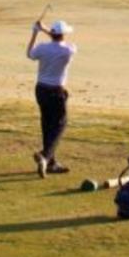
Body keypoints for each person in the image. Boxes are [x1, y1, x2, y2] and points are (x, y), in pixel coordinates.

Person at [26, 19, 76, 177]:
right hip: (56, 91)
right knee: (61, 124)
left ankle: (51, 163)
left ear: (53, 34)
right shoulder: (68, 50)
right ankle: (45, 156)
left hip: (40, 89)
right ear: (64, 35)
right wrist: (46, 30)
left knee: (47, 125)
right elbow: (60, 40)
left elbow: (29, 54)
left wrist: (36, 31)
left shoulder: (42, 48)